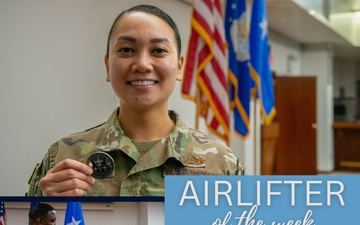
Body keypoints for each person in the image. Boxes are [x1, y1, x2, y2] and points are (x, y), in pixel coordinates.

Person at [27, 4, 245, 197]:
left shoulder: (222, 165)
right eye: (126, 50)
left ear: (179, 67)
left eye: (158, 50)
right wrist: (44, 206)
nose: (142, 64)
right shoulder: (64, 157)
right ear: (107, 67)